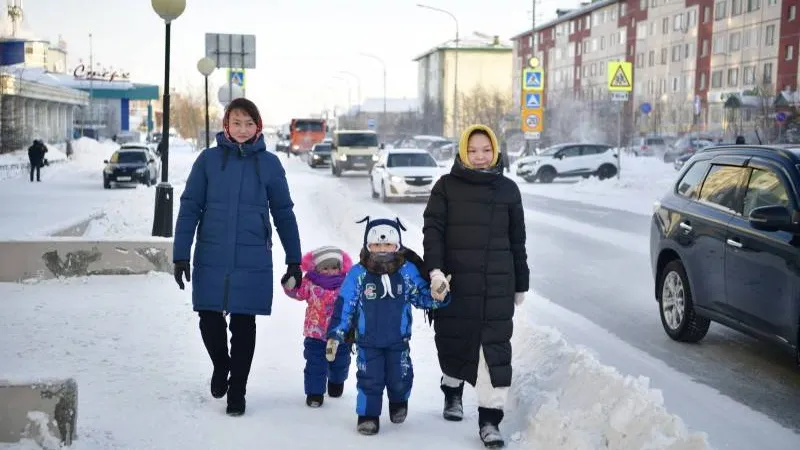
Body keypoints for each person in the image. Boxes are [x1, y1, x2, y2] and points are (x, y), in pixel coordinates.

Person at [172, 98, 302, 417]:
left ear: (258, 127)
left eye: (249, 123)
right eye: (236, 123)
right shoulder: (208, 161)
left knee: (244, 323)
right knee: (208, 317)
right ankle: (221, 365)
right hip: (211, 251)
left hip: (252, 255)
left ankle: (237, 392)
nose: (242, 130)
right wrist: (180, 255)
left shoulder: (269, 164)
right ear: (225, 125)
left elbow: (283, 213)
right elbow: (190, 207)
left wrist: (294, 260)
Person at [422, 124, 529, 449]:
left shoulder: (509, 190)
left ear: (495, 151)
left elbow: (517, 241)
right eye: (473, 150)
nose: (479, 156)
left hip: (497, 285)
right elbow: (433, 231)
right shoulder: (445, 187)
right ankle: (452, 392)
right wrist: (435, 271)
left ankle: (489, 421)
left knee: (492, 354)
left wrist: (520, 281)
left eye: (485, 150)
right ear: (462, 151)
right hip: (456, 283)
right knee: (455, 344)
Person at [325, 217, 449, 436]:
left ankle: (398, 401)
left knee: (399, 377)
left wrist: (438, 295)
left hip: (397, 341)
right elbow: (345, 305)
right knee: (369, 379)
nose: (382, 250)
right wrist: (336, 334)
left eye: (388, 245)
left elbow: (421, 297)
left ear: (397, 245)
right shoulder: (359, 274)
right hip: (367, 341)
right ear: (367, 246)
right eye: (376, 245)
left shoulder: (406, 271)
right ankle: (368, 415)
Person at [282, 246, 354, 408]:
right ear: (317, 268)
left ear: (341, 268)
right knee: (315, 364)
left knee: (341, 362)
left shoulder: (347, 283)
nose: (330, 271)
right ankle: (315, 393)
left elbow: (356, 301)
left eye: (334, 267)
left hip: (341, 334)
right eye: (325, 268)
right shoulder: (310, 283)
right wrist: (290, 285)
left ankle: (336, 382)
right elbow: (298, 293)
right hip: (315, 333)